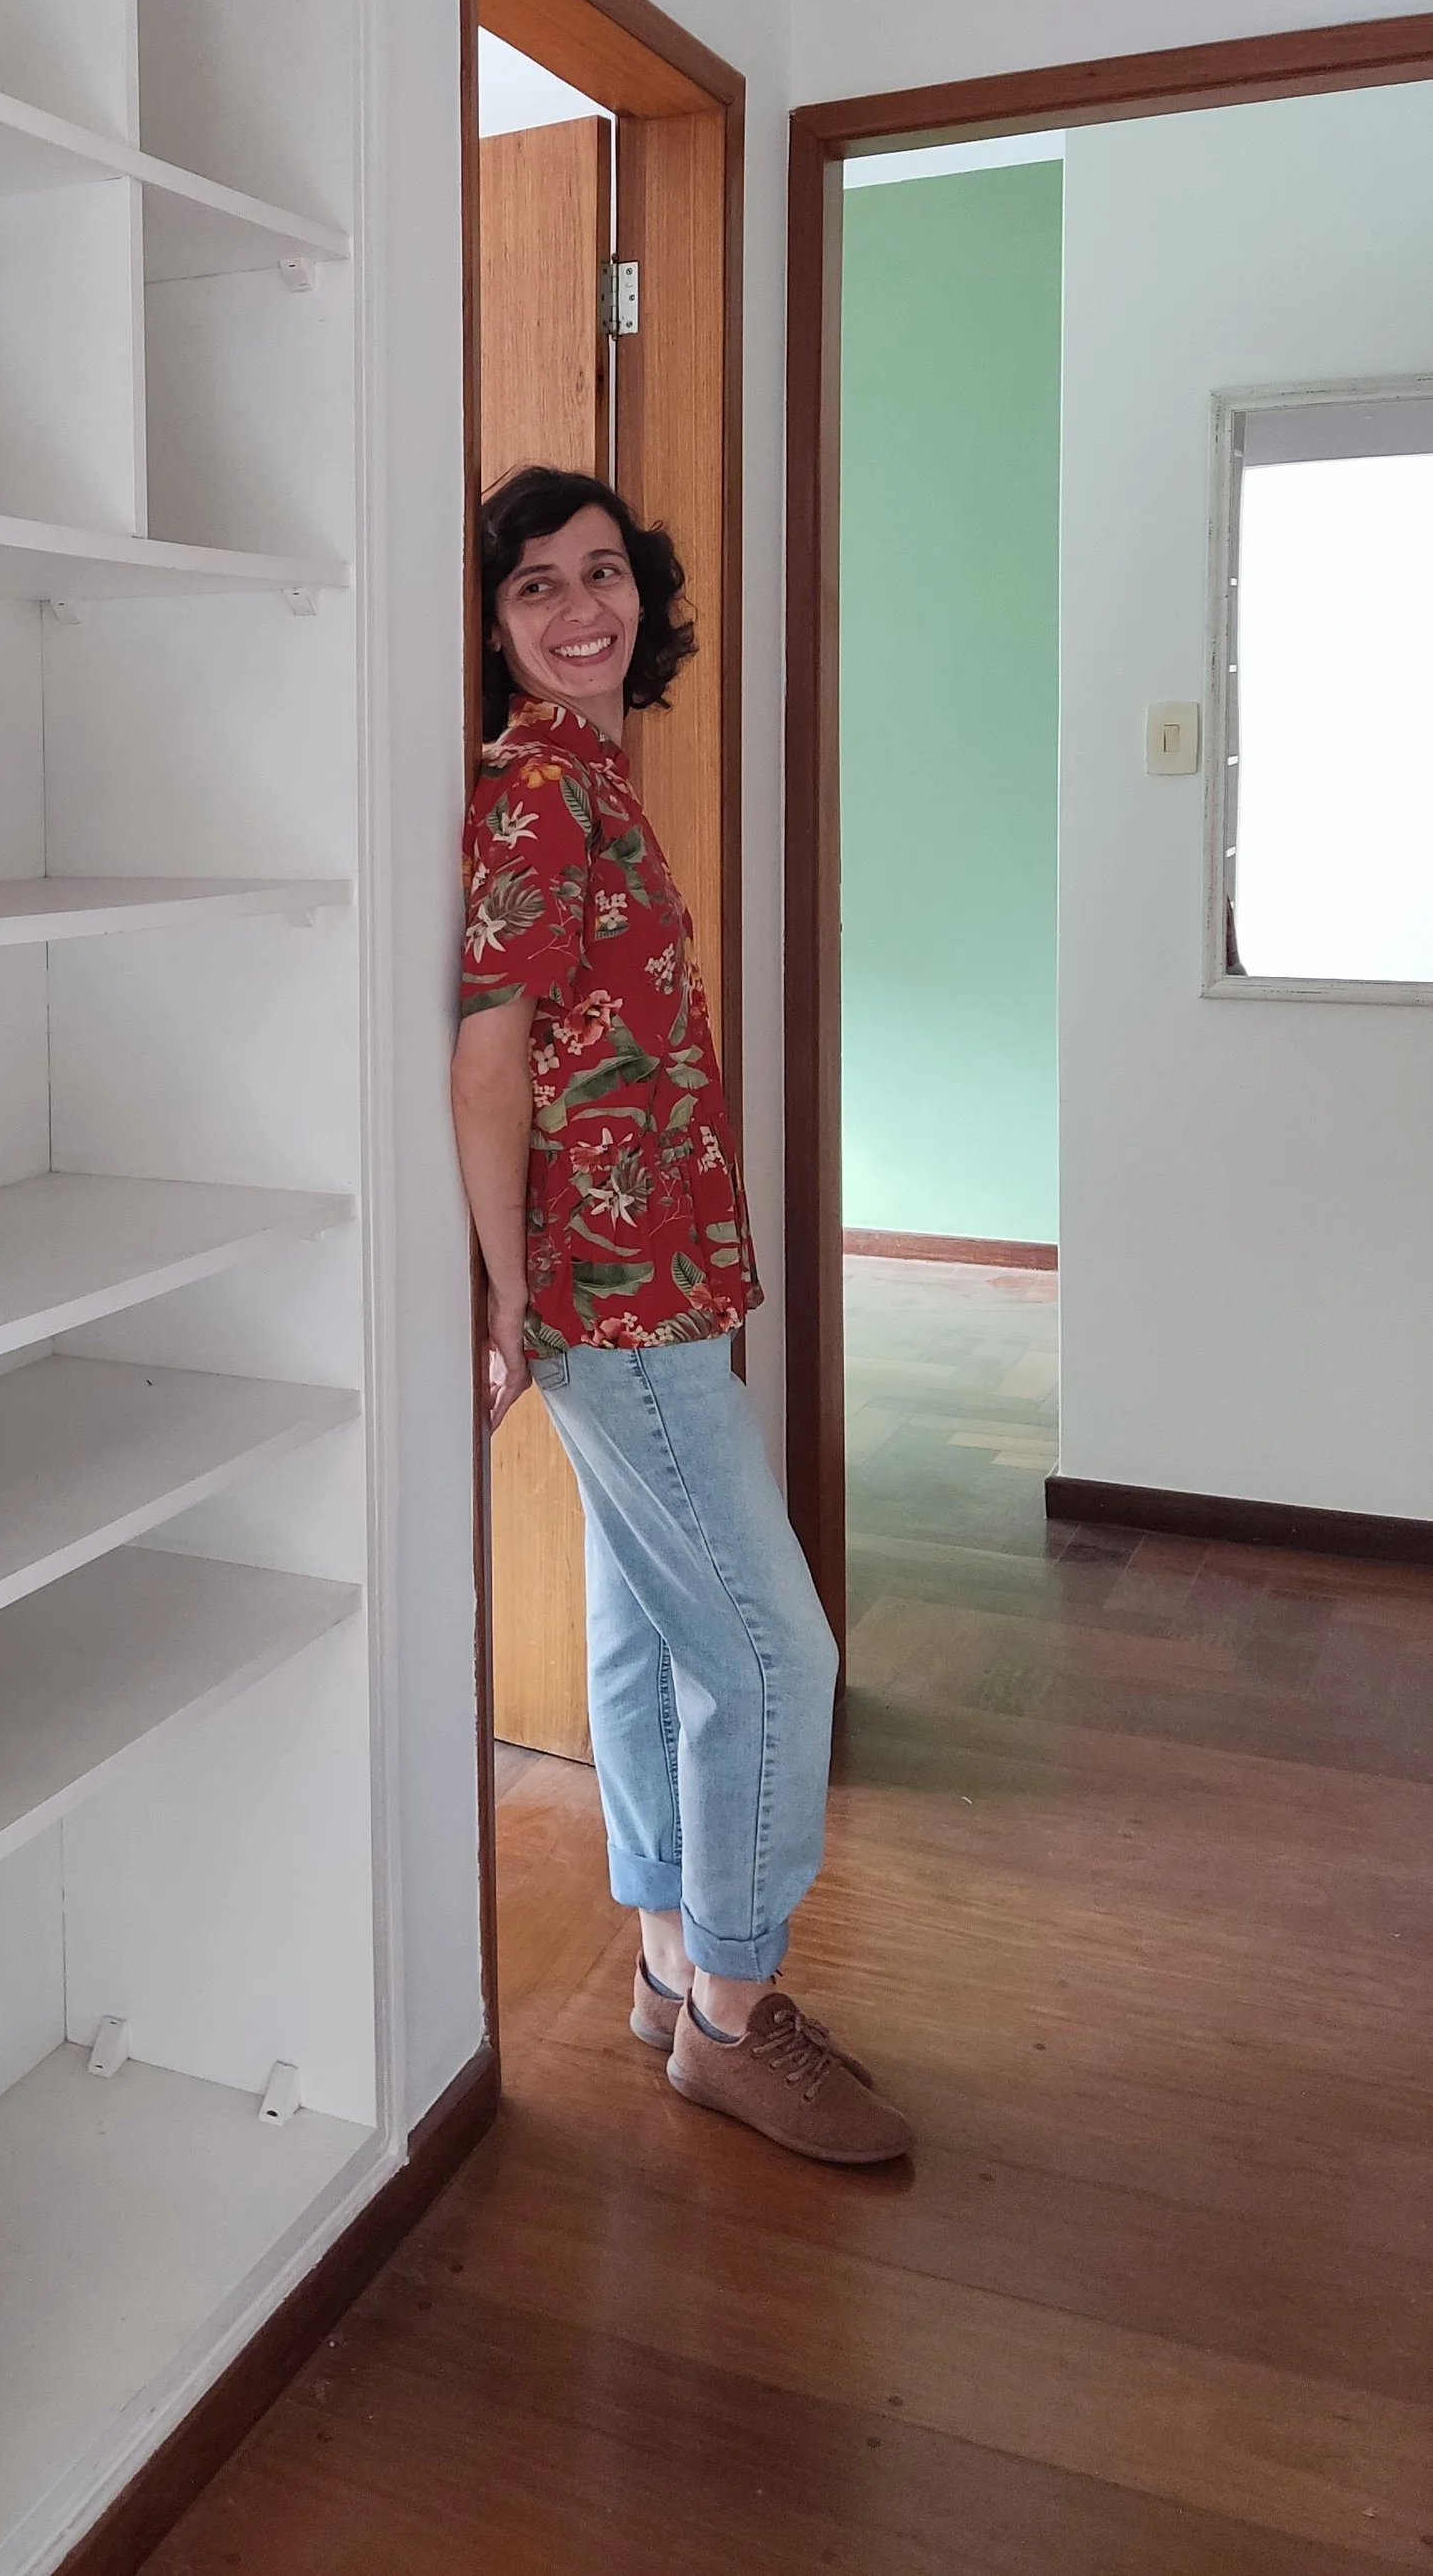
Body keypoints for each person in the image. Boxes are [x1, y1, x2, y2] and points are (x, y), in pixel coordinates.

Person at [449, 466, 913, 2167]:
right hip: (604, 1291)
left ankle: (664, 1970)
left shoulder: (589, 775)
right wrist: (509, 1297)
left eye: (603, 574)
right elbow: (485, 1059)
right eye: (534, 590)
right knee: (777, 1648)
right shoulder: (530, 802)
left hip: (653, 1272)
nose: (585, 610)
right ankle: (734, 2008)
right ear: (490, 626)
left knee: (654, 1630)